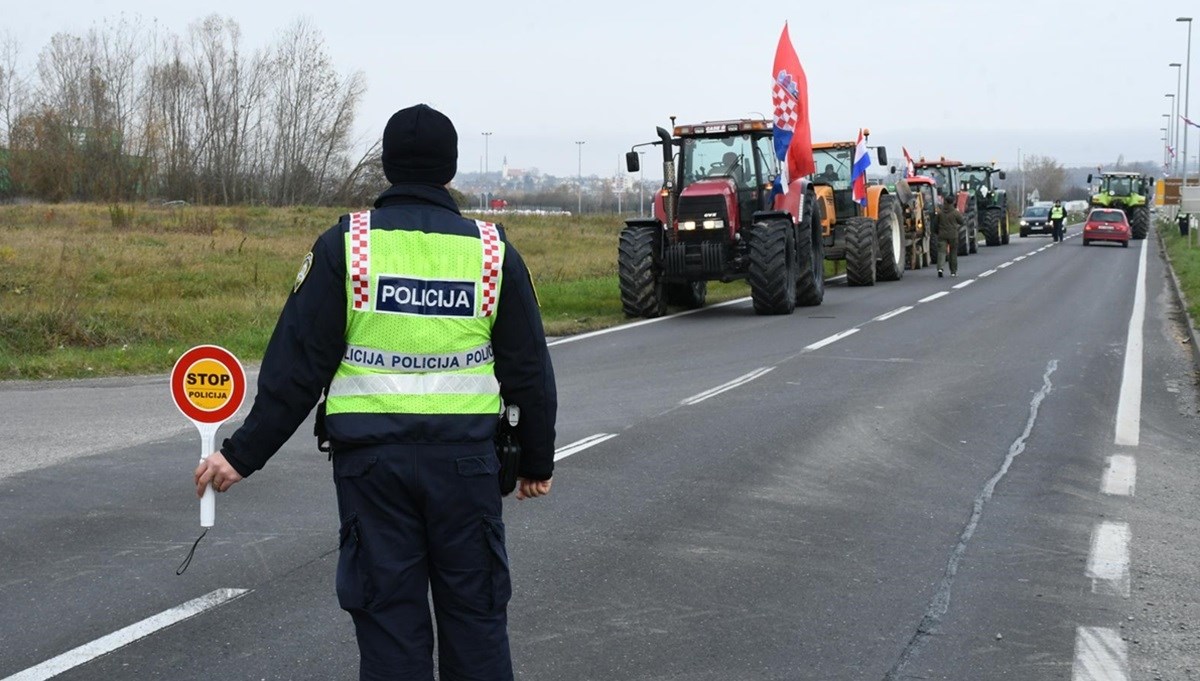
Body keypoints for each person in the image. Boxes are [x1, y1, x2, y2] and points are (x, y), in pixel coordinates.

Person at [192, 103, 558, 680]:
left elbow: (298, 367)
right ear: (451, 169)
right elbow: (528, 368)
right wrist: (536, 458)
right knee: (477, 619)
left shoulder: (346, 246)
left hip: (371, 472)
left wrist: (241, 455)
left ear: (387, 166)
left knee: (389, 627)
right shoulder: (492, 252)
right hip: (466, 467)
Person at [936, 193, 963, 278]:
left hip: (942, 235)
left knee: (941, 252)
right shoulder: (955, 212)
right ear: (952, 202)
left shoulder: (940, 213)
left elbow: (935, 224)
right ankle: (953, 272)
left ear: (945, 202)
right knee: (953, 253)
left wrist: (937, 232)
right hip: (953, 236)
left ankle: (940, 268)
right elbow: (961, 221)